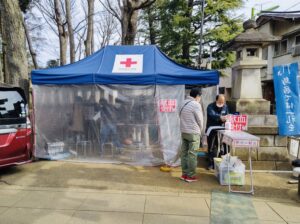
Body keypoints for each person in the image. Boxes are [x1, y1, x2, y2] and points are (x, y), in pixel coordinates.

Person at [179, 88, 203, 182]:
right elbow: (200, 120)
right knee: (192, 154)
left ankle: (184, 174)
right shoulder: (196, 104)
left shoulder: (182, 103)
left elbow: (179, 115)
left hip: (184, 131)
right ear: (197, 96)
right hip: (193, 132)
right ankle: (191, 176)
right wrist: (200, 130)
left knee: (184, 153)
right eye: (200, 96)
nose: (200, 98)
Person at [206, 94, 229, 170]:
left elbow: (227, 115)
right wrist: (220, 117)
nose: (221, 103)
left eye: (223, 101)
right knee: (211, 146)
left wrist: (227, 118)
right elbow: (212, 114)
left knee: (221, 146)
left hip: (222, 129)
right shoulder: (210, 106)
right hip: (212, 129)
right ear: (216, 100)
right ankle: (210, 163)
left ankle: (220, 163)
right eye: (220, 101)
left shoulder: (225, 106)